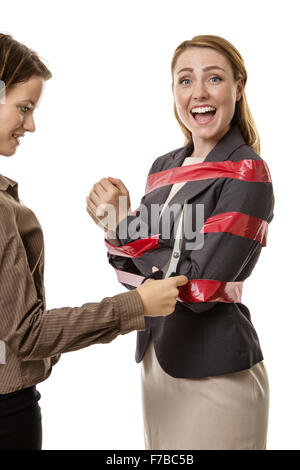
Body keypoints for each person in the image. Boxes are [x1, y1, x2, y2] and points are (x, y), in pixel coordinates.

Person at [0, 32, 188, 451]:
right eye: (24, 108)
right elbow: (26, 336)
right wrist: (136, 305)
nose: (30, 124)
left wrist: (123, 230)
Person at [87, 35, 275, 450]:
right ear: (174, 91)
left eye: (214, 78)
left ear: (238, 87)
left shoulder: (246, 173)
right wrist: (114, 226)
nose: (199, 93)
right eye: (185, 81)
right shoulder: (163, 169)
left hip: (216, 373)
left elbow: (201, 289)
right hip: (158, 362)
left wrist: (125, 229)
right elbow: (133, 274)